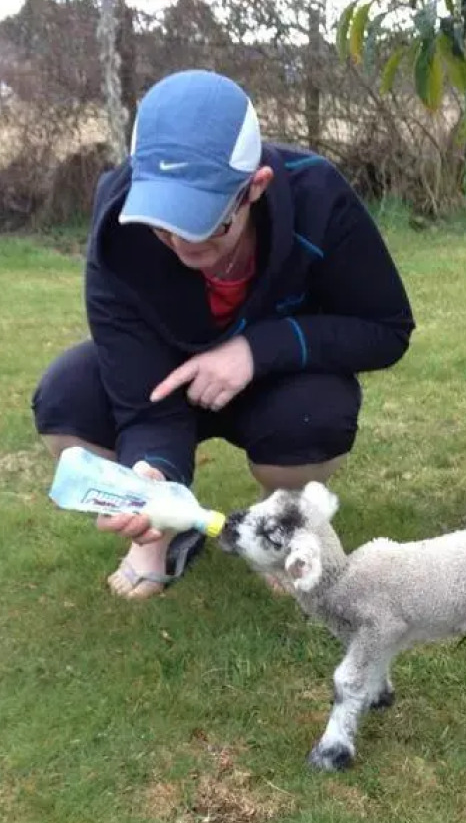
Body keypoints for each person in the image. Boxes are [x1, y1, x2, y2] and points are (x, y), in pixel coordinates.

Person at [30, 68, 415, 599]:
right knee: (65, 397)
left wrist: (257, 350)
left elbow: (387, 329)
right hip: (162, 380)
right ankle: (166, 527)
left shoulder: (319, 196)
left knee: (317, 409)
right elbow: (142, 397)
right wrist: (153, 476)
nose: (181, 241)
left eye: (206, 221)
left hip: (276, 390)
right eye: (163, 223)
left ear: (254, 187)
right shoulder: (118, 226)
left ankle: (277, 524)